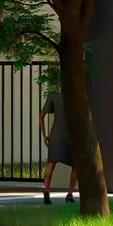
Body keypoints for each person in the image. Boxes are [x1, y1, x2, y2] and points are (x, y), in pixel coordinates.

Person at [39, 74, 76, 204]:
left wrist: (44, 135)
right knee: (75, 165)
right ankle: (70, 194)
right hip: (71, 134)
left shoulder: (54, 95)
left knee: (51, 164)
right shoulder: (75, 96)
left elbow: (41, 115)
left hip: (56, 134)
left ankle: (46, 190)